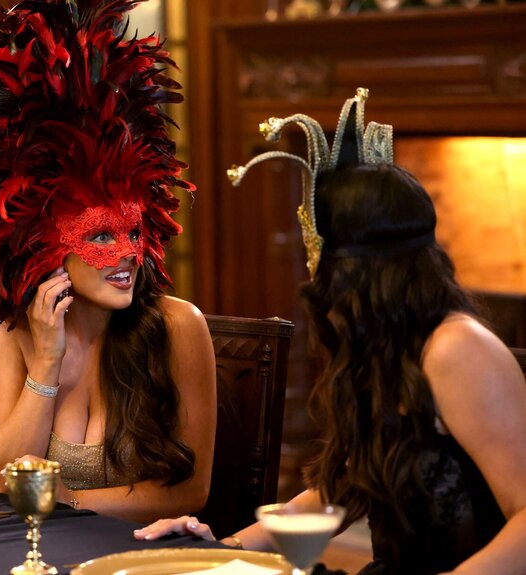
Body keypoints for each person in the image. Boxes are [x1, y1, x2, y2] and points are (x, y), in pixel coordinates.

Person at [133, 89, 526, 574]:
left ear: (349, 272)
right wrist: (222, 549)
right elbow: (339, 493)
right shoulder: (388, 347)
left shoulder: (457, 349)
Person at [0, 0, 217, 522]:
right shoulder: (13, 329)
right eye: (101, 234)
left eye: (133, 231)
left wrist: (69, 506)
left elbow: (188, 493)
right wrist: (46, 360)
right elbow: (2, 476)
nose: (129, 252)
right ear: (44, 242)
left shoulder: (179, 327)